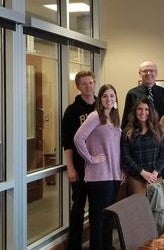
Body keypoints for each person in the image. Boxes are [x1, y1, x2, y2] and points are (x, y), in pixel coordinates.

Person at [74, 84, 124, 250]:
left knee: (108, 214)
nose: (109, 99)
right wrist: (91, 158)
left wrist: (121, 169)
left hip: (114, 175)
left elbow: (116, 148)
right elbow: (78, 138)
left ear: (116, 98)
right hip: (99, 175)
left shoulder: (114, 118)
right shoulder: (95, 116)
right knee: (98, 216)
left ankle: (107, 246)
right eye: (105, 96)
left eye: (112, 95)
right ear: (100, 99)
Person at [61, 70, 96, 250]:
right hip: (80, 167)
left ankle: (97, 244)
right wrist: (71, 168)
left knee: (98, 208)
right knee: (78, 207)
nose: (88, 86)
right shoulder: (72, 110)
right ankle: (74, 244)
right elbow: (67, 142)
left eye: (90, 83)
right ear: (78, 86)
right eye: (84, 84)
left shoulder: (104, 106)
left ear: (95, 83)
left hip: (99, 168)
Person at [121, 97, 164, 194]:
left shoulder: (160, 130)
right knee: (140, 208)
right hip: (136, 178)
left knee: (157, 208)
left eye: (146, 109)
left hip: (155, 176)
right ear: (135, 111)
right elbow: (126, 156)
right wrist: (142, 172)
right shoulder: (127, 131)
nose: (143, 112)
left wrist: (154, 173)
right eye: (140, 109)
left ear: (151, 111)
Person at [121, 60, 164, 128]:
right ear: (140, 73)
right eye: (145, 71)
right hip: (139, 134)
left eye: (151, 70)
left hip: (161, 133)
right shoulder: (132, 93)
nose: (148, 73)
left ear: (156, 73)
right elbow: (126, 119)